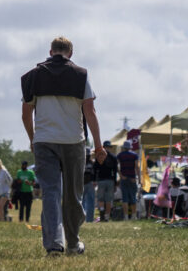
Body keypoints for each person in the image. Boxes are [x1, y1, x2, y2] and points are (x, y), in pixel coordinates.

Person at [21, 36, 103, 257]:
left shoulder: (34, 76)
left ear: (50, 52)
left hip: (44, 140)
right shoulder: (81, 75)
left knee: (50, 193)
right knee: (73, 196)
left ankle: (54, 245)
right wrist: (98, 145)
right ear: (71, 53)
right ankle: (74, 244)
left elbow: (26, 113)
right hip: (73, 141)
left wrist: (32, 137)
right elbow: (90, 112)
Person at [93, 140, 118, 222]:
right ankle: (106, 217)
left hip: (101, 180)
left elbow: (95, 169)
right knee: (108, 200)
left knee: (100, 199)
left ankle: (101, 215)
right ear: (110, 147)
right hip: (110, 180)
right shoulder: (113, 157)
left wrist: (94, 180)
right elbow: (115, 171)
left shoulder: (98, 156)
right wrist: (115, 183)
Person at [116, 140, 140, 220]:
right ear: (130, 147)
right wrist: (138, 178)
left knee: (125, 198)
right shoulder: (134, 155)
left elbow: (117, 166)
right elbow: (137, 167)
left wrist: (121, 175)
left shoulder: (120, 155)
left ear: (124, 147)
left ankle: (126, 216)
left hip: (124, 178)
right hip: (132, 178)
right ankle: (134, 215)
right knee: (133, 197)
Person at [81, 153, 96, 222]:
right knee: (90, 202)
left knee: (82, 202)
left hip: (83, 183)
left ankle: (82, 219)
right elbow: (95, 173)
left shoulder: (80, 162)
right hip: (90, 183)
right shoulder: (92, 163)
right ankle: (89, 219)